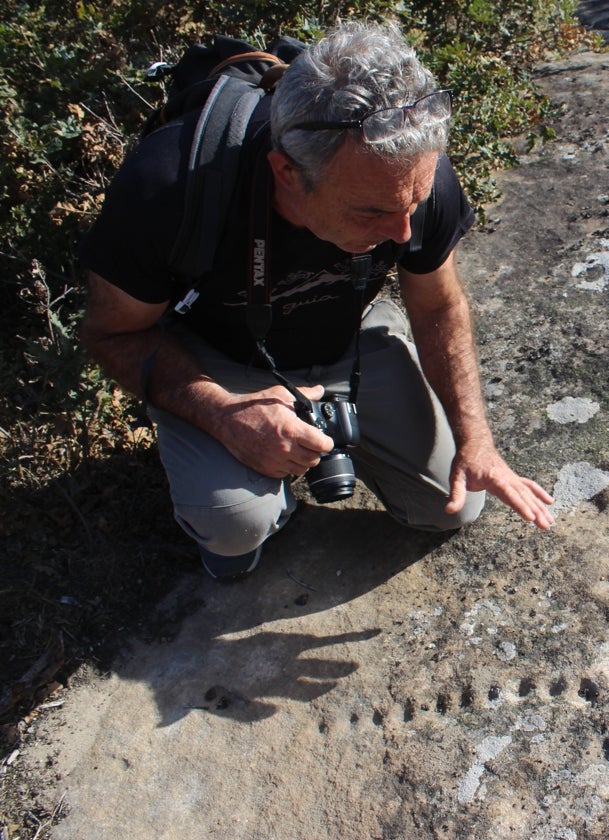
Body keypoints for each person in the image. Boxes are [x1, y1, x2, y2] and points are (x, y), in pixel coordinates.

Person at [79, 21, 554, 581]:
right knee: (236, 524)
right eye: (371, 212)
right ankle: (245, 496)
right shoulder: (170, 185)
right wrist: (222, 415)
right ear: (287, 172)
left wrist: (477, 440)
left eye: (416, 201)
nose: (403, 232)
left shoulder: (407, 170)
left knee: (454, 503)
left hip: (346, 334)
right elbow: (111, 334)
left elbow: (437, 305)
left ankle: (354, 382)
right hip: (222, 361)